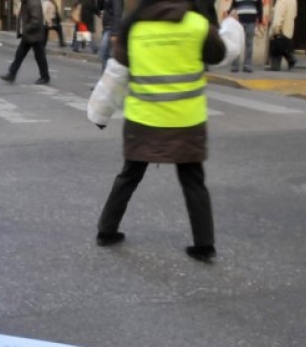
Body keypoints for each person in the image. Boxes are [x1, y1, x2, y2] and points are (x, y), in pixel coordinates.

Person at [94, 0, 226, 262]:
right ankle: (204, 245)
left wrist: (100, 111)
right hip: (186, 121)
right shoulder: (198, 25)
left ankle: (106, 231)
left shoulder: (135, 26)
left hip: (144, 119)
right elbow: (218, 55)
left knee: (128, 176)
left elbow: (117, 73)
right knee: (193, 182)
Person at [0, 0, 50, 85]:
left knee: (40, 57)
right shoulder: (26, 2)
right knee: (19, 55)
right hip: (28, 35)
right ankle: (11, 74)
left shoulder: (33, 3)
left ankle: (45, 77)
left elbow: (36, 21)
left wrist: (25, 29)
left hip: (35, 35)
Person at [228, 0, 263, 72]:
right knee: (237, 43)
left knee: (249, 44)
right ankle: (235, 66)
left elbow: (259, 6)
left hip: (251, 21)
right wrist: (230, 14)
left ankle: (247, 65)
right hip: (238, 21)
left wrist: (260, 20)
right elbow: (233, 6)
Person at [268, 0, 297, 71]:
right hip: (288, 29)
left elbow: (278, 16)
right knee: (282, 47)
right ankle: (290, 57)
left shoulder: (281, 1)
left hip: (281, 29)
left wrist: (276, 28)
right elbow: (295, 14)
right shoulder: (293, 1)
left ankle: (276, 66)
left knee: (276, 49)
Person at [97, 0, 123, 70]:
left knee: (105, 53)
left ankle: (107, 73)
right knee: (106, 53)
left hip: (111, 27)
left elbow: (117, 13)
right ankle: (106, 72)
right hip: (106, 27)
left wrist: (115, 32)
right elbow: (100, 7)